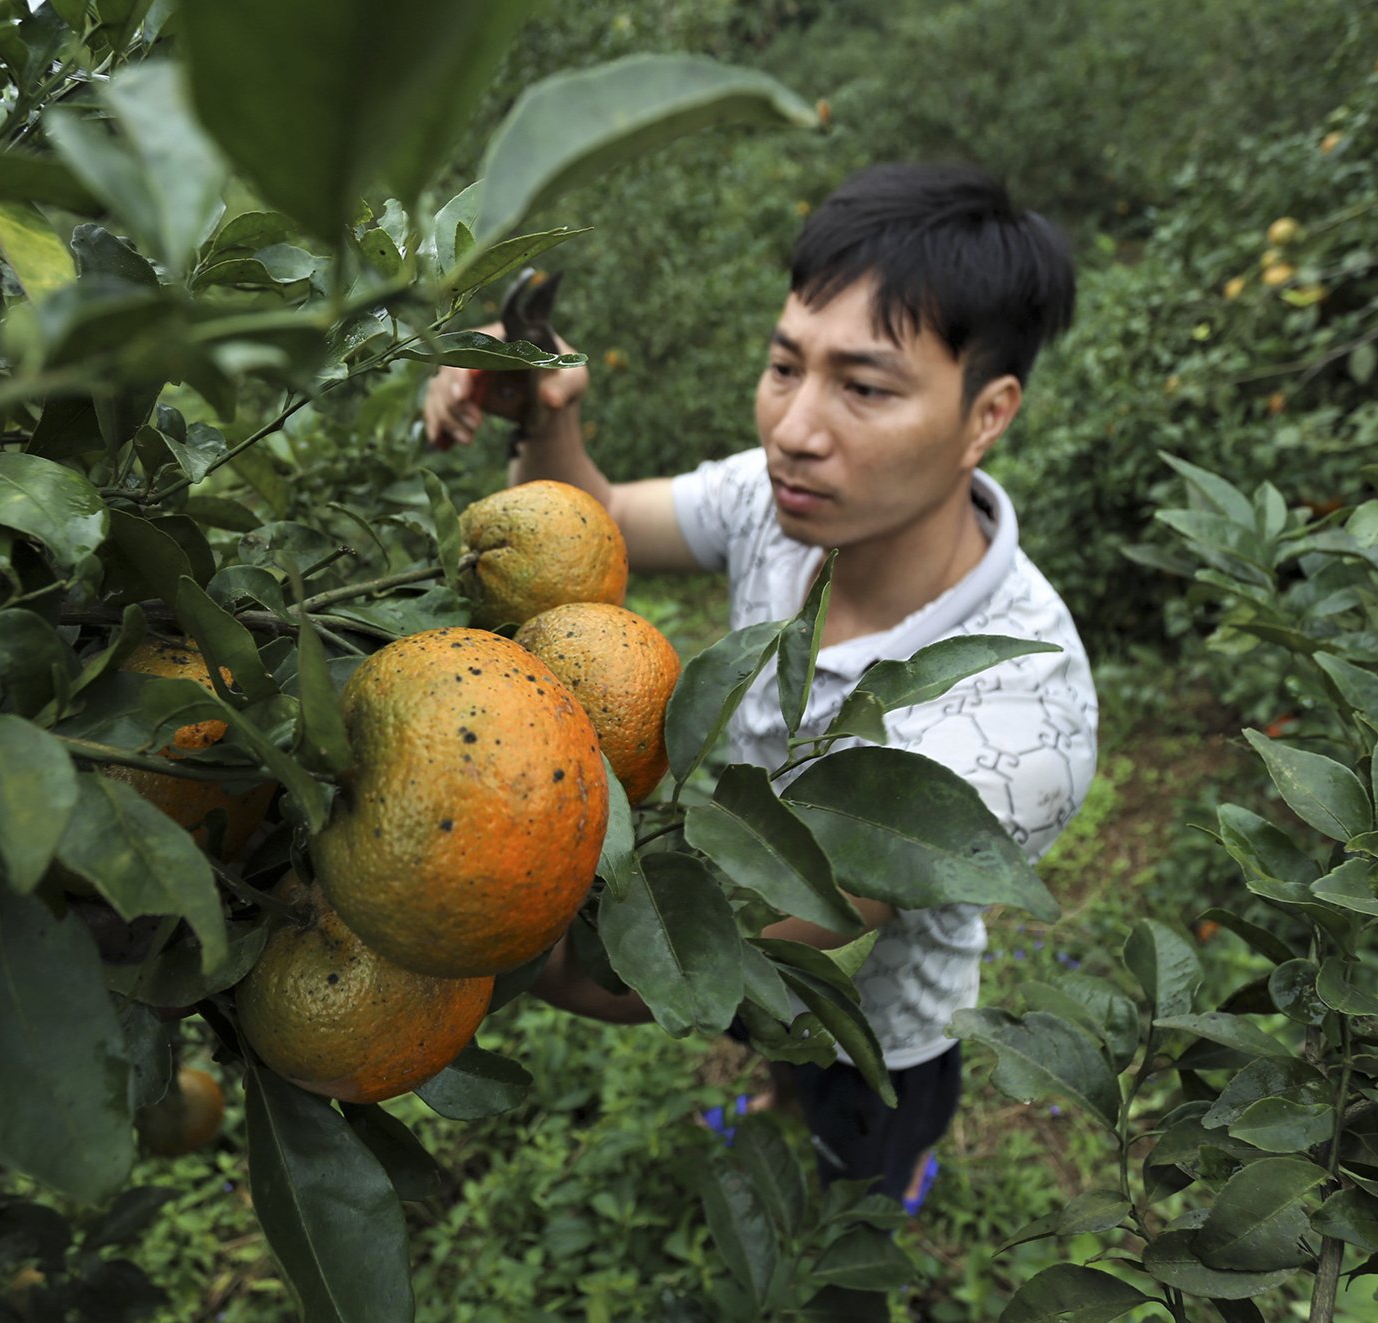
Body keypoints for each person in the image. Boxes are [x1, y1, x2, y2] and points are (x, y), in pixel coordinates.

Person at [424, 161, 1099, 1245]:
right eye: (787, 366)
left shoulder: (1012, 716)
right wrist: (545, 409)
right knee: (777, 1061)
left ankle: (877, 1193)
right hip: (758, 938)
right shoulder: (779, 499)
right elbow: (588, 519)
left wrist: (444, 927)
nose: (796, 427)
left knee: (855, 1161)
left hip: (876, 1019)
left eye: (864, 388)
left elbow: (722, 949)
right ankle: (778, 1101)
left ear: (987, 415)